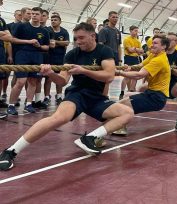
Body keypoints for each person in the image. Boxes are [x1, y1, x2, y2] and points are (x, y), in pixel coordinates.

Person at [0, 23, 134, 170]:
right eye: (76, 38)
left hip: (96, 98)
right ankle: (11, 151)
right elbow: (62, 81)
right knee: (58, 118)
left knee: (126, 113)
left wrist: (84, 71)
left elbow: (108, 76)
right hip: (77, 94)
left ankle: (90, 138)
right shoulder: (72, 54)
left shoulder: (105, 51)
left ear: (93, 36)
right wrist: (51, 74)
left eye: (82, 38)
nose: (78, 41)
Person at [114, 36, 171, 135]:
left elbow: (139, 75)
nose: (152, 45)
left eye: (155, 43)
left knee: (123, 106)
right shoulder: (153, 55)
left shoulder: (159, 60)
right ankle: (121, 127)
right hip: (151, 93)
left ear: (163, 46)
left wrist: (119, 72)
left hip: (157, 98)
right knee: (123, 99)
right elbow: (140, 65)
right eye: (152, 42)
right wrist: (130, 67)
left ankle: (120, 128)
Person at [7, 7, 50, 115]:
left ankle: (29, 104)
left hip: (37, 55)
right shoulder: (21, 26)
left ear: (41, 16)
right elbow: (12, 39)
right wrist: (29, 41)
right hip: (23, 54)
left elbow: (47, 47)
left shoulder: (44, 31)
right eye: (32, 13)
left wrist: (39, 45)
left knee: (33, 81)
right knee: (21, 81)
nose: (34, 15)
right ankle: (11, 105)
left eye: (36, 14)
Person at [43, 15, 70, 105]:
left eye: (55, 20)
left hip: (60, 58)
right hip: (49, 57)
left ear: (60, 22)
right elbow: (48, 43)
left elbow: (67, 43)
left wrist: (56, 42)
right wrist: (59, 43)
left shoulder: (64, 31)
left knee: (59, 77)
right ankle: (46, 97)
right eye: (52, 20)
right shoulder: (47, 30)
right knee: (48, 78)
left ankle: (59, 96)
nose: (53, 21)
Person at [119, 25, 143, 99]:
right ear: (130, 31)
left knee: (135, 76)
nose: (136, 32)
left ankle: (131, 90)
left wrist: (135, 49)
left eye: (137, 31)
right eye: (135, 30)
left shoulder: (138, 41)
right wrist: (137, 49)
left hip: (136, 59)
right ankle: (122, 92)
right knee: (127, 76)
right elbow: (130, 50)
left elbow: (141, 52)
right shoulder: (126, 39)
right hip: (128, 58)